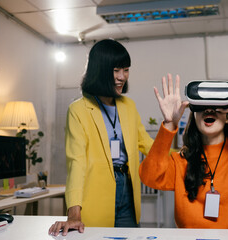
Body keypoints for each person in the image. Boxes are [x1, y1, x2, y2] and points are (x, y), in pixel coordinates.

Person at [139, 74, 228, 228]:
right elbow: (150, 177)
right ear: (194, 116)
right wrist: (168, 124)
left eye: (216, 107)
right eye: (201, 107)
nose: (208, 110)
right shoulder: (181, 160)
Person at [49, 39, 153, 236]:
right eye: (116, 70)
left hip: (127, 190)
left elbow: (147, 145)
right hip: (95, 192)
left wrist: (188, 152)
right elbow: (76, 163)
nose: (122, 77)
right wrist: (73, 214)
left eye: (126, 70)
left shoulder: (128, 106)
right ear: (100, 71)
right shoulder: (78, 110)